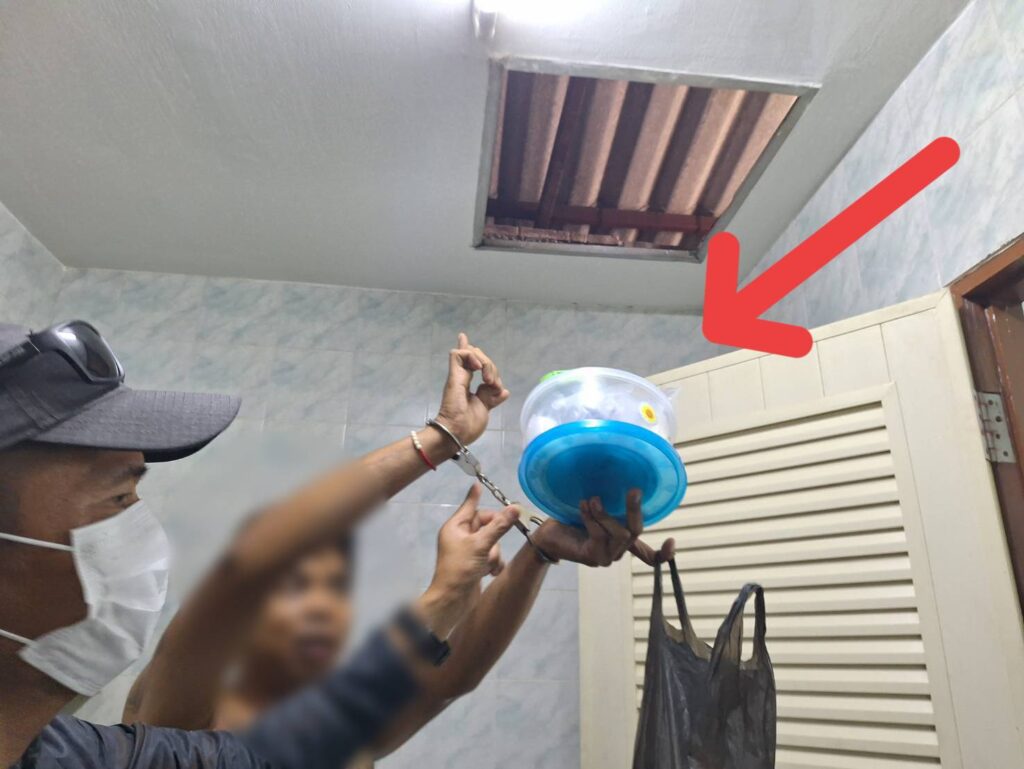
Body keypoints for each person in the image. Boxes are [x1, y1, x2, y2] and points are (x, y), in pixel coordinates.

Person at [0, 320, 668, 769]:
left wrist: (539, 550)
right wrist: (439, 441)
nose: (319, 604)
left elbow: (448, 679)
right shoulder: (185, 705)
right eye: (118, 497)